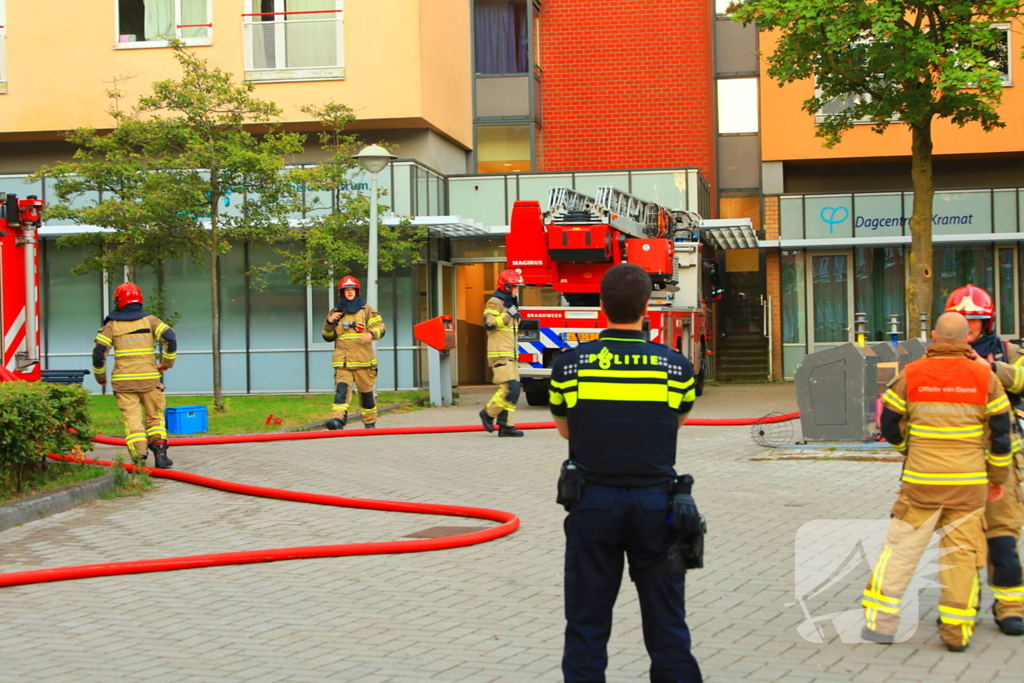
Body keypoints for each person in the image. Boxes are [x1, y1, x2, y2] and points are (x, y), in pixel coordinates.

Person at [548, 263, 702, 682]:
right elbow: (676, 422)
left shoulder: (570, 366)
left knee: (586, 626)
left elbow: (566, 429)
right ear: (647, 306)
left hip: (593, 505)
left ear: (601, 306)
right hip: (657, 507)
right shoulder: (675, 367)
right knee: (668, 628)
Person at [864, 311, 1012, 652]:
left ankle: (880, 624)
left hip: (920, 486)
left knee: (900, 552)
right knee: (961, 557)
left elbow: (888, 424)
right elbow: (1001, 436)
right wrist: (998, 478)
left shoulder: (912, 374)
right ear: (966, 340)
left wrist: (908, 450)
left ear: (933, 336)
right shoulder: (985, 377)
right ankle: (955, 633)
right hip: (968, 487)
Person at [947, 284, 1024, 636]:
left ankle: (1010, 608)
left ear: (987, 321)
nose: (970, 327)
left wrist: (992, 370)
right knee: (962, 540)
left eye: (976, 320)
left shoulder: (1007, 351)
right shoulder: (936, 356)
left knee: (1002, 541)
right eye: (964, 320)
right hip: (956, 461)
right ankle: (964, 607)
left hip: (1003, 459)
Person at [92, 282, 177, 469]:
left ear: (118, 301)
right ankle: (161, 456)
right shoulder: (150, 321)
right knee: (154, 417)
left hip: (124, 383)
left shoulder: (112, 325)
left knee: (132, 420)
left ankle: (139, 458)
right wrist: (166, 363)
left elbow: (99, 353)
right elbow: (170, 338)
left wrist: (100, 378)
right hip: (148, 379)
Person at [323, 275, 386, 430]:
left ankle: (370, 423)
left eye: (352, 289)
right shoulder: (335, 312)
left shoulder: (366, 310)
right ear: (341, 292)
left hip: (364, 362)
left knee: (366, 395)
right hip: (343, 363)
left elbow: (380, 327)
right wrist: (329, 322)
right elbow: (327, 336)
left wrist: (371, 334)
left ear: (357, 292)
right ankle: (337, 420)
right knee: (341, 393)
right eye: (346, 290)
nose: (349, 292)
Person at [479, 269, 525, 437]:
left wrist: (515, 318)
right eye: (515, 287)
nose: (517, 290)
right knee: (509, 388)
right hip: (499, 353)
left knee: (514, 390)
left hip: (510, 353)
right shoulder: (495, 302)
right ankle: (488, 413)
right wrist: (508, 315)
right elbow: (489, 324)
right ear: (506, 286)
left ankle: (506, 426)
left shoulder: (508, 304)